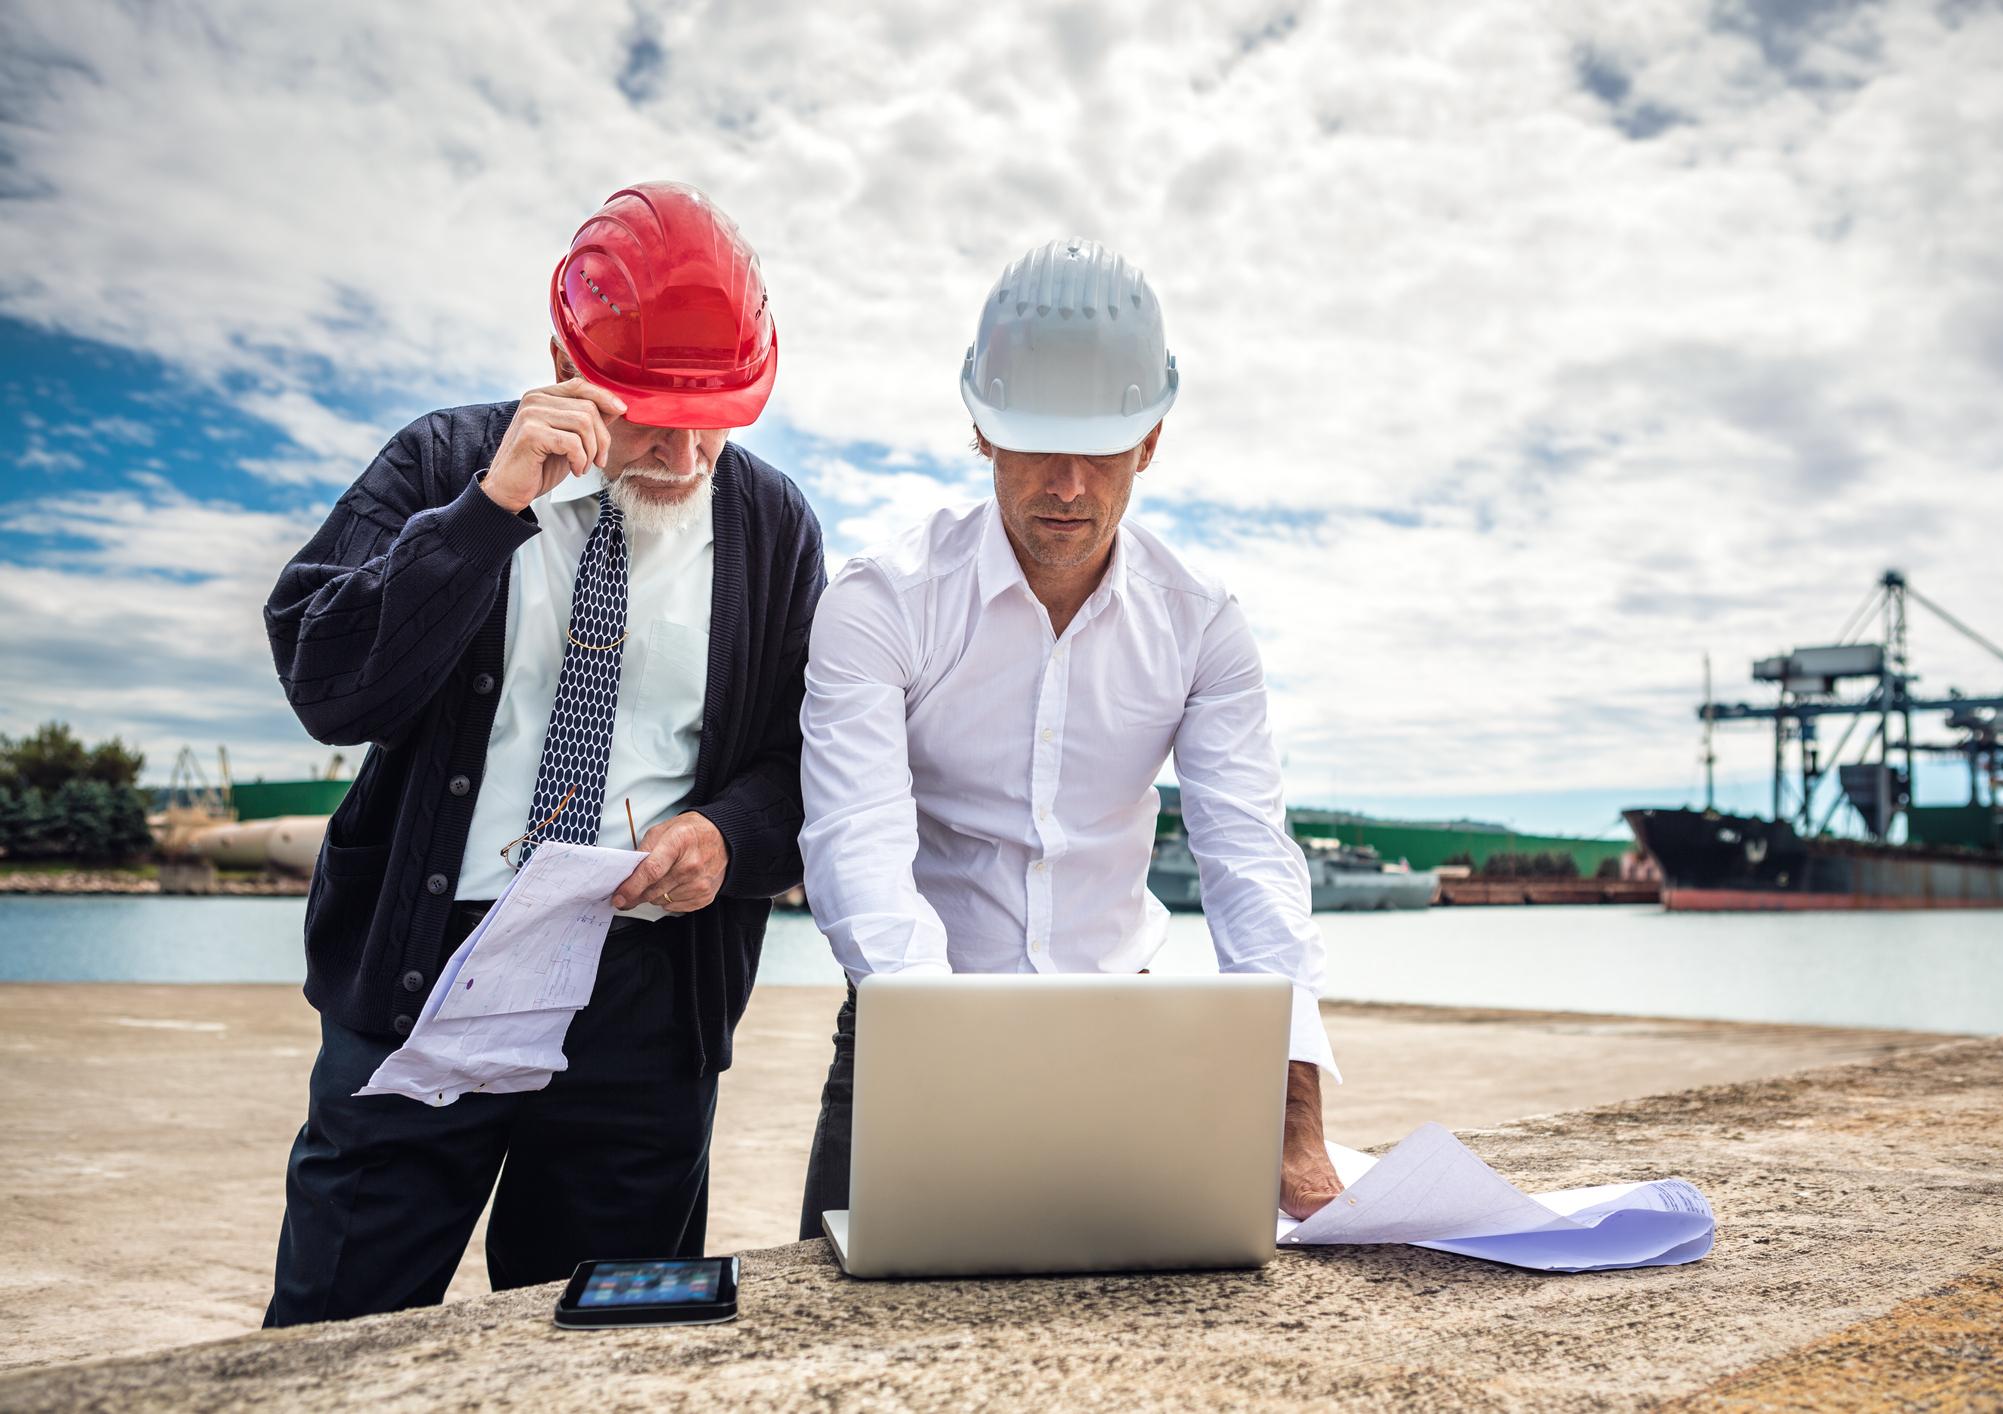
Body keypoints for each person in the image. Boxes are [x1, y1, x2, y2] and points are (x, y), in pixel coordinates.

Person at [260, 182, 825, 1325]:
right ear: (565, 364)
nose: (685, 450)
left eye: (716, 415)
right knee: (334, 1337)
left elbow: (802, 761)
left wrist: (729, 837)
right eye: (651, 414)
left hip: (645, 998)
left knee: (609, 1349)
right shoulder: (442, 462)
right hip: (424, 977)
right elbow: (327, 684)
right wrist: (485, 515)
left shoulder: (774, 527)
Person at [795, 237, 1343, 1240]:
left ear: (1152, 441)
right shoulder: (881, 603)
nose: (1068, 486)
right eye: (1036, 447)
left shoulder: (1201, 623)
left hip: (1120, 1049)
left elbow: (1249, 861)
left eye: (1101, 451)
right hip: (912, 1035)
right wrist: (942, 1064)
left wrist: (1294, 1120)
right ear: (981, 430)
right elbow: (855, 842)